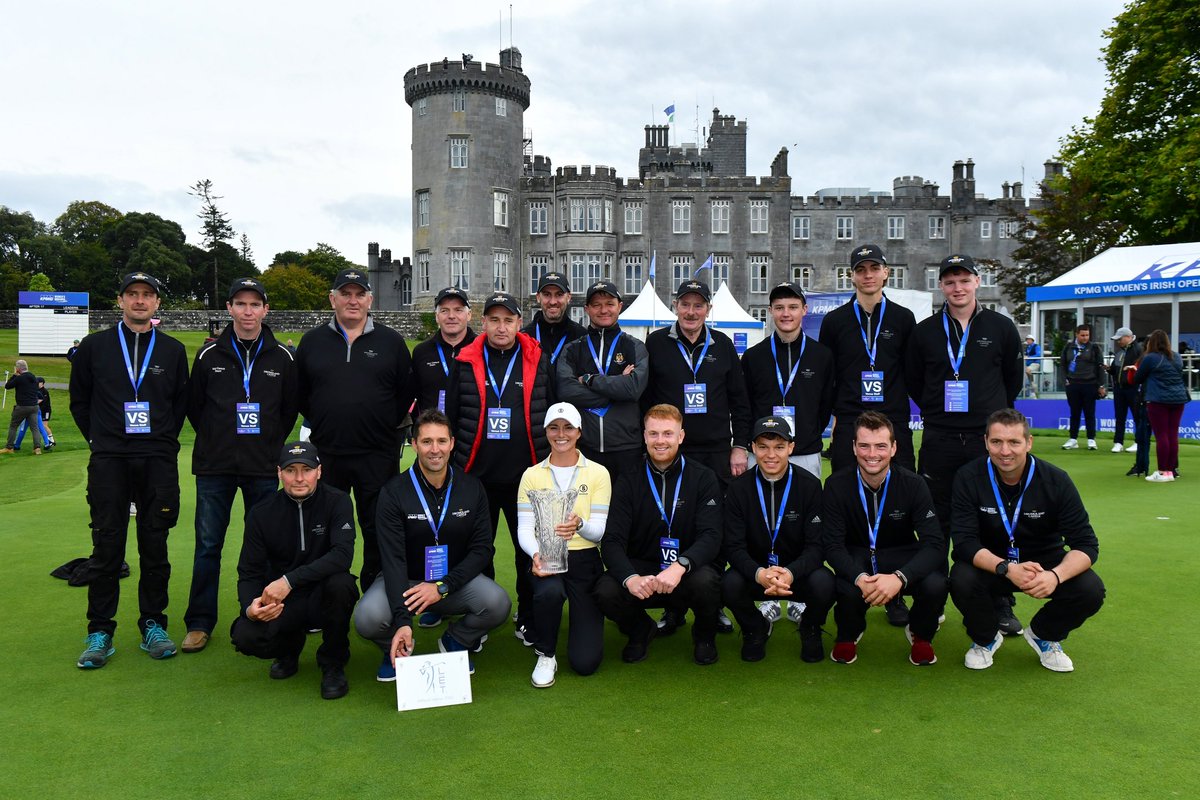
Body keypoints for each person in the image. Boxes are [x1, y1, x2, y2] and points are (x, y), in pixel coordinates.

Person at [69, 271, 189, 669]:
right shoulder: (94, 347)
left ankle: (153, 623)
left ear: (157, 303)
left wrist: (161, 442)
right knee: (106, 546)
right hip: (110, 460)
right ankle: (100, 629)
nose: (140, 301)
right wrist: (102, 441)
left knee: (155, 546)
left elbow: (180, 404)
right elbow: (80, 402)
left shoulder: (171, 350)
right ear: (120, 300)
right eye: (132, 294)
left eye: (147, 295)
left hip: (156, 460)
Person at [905, 254, 1024, 636]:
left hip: (984, 441)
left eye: (964, 280)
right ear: (941, 286)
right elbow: (914, 381)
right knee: (936, 520)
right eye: (950, 281)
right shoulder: (925, 332)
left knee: (994, 519)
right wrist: (938, 412)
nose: (958, 287)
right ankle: (933, 597)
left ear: (977, 281)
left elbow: (1012, 381)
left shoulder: (1001, 327)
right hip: (939, 437)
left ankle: (1001, 600)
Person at [181, 277, 299, 653]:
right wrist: (219, 438)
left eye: (255, 305)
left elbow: (288, 411)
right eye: (240, 304)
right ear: (229, 308)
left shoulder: (282, 357)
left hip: (262, 467)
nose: (248, 312)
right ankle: (199, 622)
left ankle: (266, 612)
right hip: (215, 467)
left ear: (266, 310)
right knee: (208, 545)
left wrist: (266, 445)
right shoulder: (208, 355)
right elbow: (195, 408)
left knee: (264, 546)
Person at [354, 410, 510, 679]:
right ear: (414, 445)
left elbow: (483, 549)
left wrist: (443, 586)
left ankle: (457, 640)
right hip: (406, 583)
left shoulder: (472, 487)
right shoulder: (393, 492)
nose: (434, 449)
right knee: (367, 618)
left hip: (452, 583)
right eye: (426, 442)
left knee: (498, 603)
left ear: (452, 443)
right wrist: (403, 622)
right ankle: (396, 646)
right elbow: (392, 560)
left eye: (441, 441)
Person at [949, 409, 1105, 672]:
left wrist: (1055, 576)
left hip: (1044, 563)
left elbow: (1086, 545)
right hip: (994, 564)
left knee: (1091, 589)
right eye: (997, 442)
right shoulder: (968, 477)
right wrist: (1007, 568)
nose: (1004, 451)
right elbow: (964, 543)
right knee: (961, 577)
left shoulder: (1056, 480)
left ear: (1029, 442)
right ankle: (985, 639)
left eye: (1014, 442)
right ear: (986, 441)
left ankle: (1045, 634)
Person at [296, 267, 414, 592]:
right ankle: (323, 599)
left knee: (378, 528)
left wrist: (376, 423)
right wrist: (328, 419)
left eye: (359, 294)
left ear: (369, 299)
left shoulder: (391, 342)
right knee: (325, 529)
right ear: (332, 299)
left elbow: (405, 394)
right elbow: (301, 395)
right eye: (345, 294)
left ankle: (375, 599)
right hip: (327, 454)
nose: (352, 300)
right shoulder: (312, 342)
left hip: (377, 455)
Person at [446, 291, 551, 646]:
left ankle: (529, 614)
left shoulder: (538, 357)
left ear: (519, 323)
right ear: (483, 322)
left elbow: (551, 411)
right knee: (479, 550)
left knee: (529, 552)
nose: (501, 327)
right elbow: (451, 417)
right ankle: (481, 618)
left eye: (508, 320)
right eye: (494, 319)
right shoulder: (465, 359)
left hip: (528, 477)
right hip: (477, 476)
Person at [594, 404, 724, 665]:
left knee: (707, 581)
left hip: (685, 567)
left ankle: (704, 636)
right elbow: (612, 540)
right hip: (644, 567)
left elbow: (711, 536)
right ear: (644, 436)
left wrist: (680, 567)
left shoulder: (703, 477)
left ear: (681, 436)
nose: (660, 441)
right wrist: (630, 577)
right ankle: (641, 630)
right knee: (605, 590)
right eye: (653, 434)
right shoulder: (628, 479)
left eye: (667, 433)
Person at [230, 441, 358, 699]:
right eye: (291, 471)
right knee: (244, 635)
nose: (299, 478)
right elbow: (249, 572)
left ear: (319, 471)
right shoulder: (261, 513)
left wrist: (289, 580)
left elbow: (342, 556)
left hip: (322, 594)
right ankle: (289, 648)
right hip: (284, 603)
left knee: (342, 585)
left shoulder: (338, 501)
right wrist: (250, 608)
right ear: (279, 473)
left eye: (306, 469)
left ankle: (333, 663)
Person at [823, 412, 948, 666]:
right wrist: (859, 578)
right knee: (844, 580)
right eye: (864, 446)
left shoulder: (914, 484)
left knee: (936, 582)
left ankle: (920, 635)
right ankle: (849, 633)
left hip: (901, 554)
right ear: (853, 447)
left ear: (893, 448)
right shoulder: (836, 485)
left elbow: (934, 543)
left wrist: (900, 578)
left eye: (881, 446)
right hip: (858, 554)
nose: (872, 454)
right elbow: (832, 545)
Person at [721, 415, 832, 663]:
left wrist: (791, 573)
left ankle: (810, 628)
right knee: (729, 582)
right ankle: (755, 628)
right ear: (752, 448)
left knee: (825, 582)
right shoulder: (739, 489)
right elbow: (733, 547)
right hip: (757, 574)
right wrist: (760, 573)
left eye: (779, 447)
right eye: (763, 447)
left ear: (791, 448)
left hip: (797, 574)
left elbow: (817, 546)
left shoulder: (810, 485)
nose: (771, 455)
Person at [516, 402, 612, 687]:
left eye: (568, 427)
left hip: (584, 559)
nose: (561, 434)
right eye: (554, 428)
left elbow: (599, 532)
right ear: (546, 431)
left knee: (585, 663)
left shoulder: (598, 473)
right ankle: (546, 653)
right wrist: (535, 554)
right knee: (548, 594)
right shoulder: (531, 475)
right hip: (547, 557)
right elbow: (524, 528)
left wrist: (579, 524)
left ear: (579, 431)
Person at [643, 279, 752, 489]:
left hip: (716, 452)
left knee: (714, 515)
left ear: (708, 309)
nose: (691, 312)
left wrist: (739, 446)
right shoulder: (656, 343)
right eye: (685, 305)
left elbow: (740, 402)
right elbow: (645, 400)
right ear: (675, 306)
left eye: (698, 306)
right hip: (671, 449)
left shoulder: (723, 344)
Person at [818, 244, 917, 473]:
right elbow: (828, 376)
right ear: (852, 276)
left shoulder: (903, 318)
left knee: (903, 489)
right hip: (850, 420)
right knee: (845, 492)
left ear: (886, 272)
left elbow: (913, 371)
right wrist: (835, 418)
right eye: (861, 269)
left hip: (893, 419)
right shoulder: (835, 321)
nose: (868, 274)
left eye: (874, 267)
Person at [742, 280, 834, 480]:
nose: (786, 314)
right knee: (761, 509)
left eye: (793, 307)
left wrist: (808, 432)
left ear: (804, 310)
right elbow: (745, 407)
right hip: (764, 453)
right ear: (770, 311)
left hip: (806, 452)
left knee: (807, 509)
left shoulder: (822, 356)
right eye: (779, 308)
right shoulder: (753, 356)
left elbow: (826, 405)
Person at [555, 279, 649, 477]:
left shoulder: (635, 346)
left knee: (625, 508)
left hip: (626, 448)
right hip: (584, 448)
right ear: (587, 309)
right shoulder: (573, 348)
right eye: (597, 305)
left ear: (620, 307)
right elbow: (566, 390)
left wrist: (589, 380)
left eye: (609, 304)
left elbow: (633, 389)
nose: (603, 310)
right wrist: (616, 391)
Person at [411, 286, 477, 415]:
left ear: (469, 315)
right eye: (444, 311)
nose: (451, 316)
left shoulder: (482, 349)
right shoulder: (421, 352)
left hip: (471, 432)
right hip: (433, 432)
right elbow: (414, 396)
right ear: (437, 316)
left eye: (458, 310)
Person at [1136, 329, 1190, 482]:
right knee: (1172, 435)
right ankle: (1170, 471)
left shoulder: (1150, 358)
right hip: (1178, 398)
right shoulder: (1177, 356)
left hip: (1158, 399)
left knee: (1162, 436)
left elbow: (1138, 378)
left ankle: (1162, 471)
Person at [523, 272, 587, 373]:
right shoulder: (524, 337)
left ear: (568, 297)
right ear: (538, 297)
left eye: (559, 294)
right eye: (547, 294)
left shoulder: (582, 337)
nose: (553, 302)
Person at [1059, 324, 1106, 451]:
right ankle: (1073, 439)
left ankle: (1091, 439)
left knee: (1089, 413)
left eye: (1087, 335)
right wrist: (1065, 381)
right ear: (1076, 334)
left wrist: (1101, 385)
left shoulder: (1094, 348)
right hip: (1073, 384)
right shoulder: (1069, 347)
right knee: (1074, 413)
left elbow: (1100, 366)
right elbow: (1062, 365)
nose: (1085, 338)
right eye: (1083, 335)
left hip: (1089, 384)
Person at [1108, 327, 1142, 453]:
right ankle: (1118, 442)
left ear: (1128, 337)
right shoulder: (1120, 352)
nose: (1118, 342)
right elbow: (1114, 369)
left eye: (1120, 339)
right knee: (1119, 417)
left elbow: (1141, 369)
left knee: (1137, 416)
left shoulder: (1138, 350)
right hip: (1119, 388)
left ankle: (1139, 442)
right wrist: (1109, 369)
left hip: (1133, 388)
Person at [2, 360, 44, 454]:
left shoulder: (19, 378)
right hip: (34, 406)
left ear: (18, 369)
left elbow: (7, 386)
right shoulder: (34, 378)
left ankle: (9, 447)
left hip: (22, 406)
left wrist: (14, 375)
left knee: (13, 426)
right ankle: (37, 448)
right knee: (34, 428)